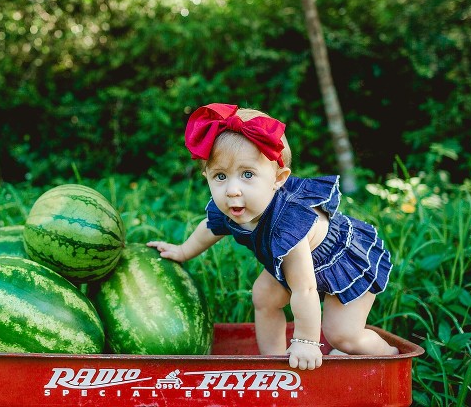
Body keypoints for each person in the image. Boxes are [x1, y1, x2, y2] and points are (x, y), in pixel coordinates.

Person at [147, 103, 399, 370]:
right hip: (297, 267)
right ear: (206, 176)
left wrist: (307, 341)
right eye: (220, 176)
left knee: (343, 336)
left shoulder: (288, 223)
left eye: (247, 174)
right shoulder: (230, 208)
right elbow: (209, 229)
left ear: (279, 178)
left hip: (340, 260)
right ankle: (274, 362)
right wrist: (183, 251)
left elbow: (305, 289)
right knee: (264, 295)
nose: (232, 190)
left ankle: (391, 357)